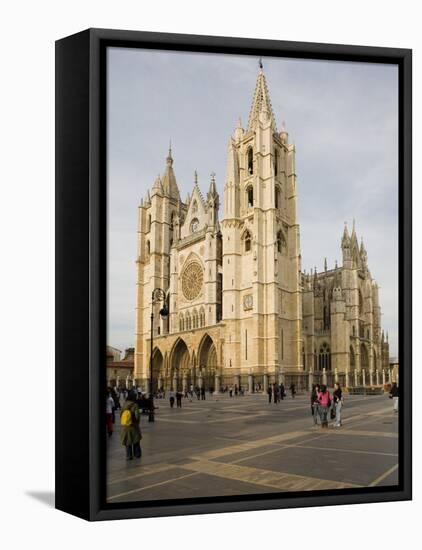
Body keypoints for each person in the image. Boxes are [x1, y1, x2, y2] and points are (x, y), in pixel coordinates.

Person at [120, 390, 142, 460]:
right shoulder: (135, 405)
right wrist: (137, 422)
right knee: (136, 440)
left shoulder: (124, 404)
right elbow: (137, 416)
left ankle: (129, 455)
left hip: (125, 426)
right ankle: (137, 454)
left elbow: (121, 414)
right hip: (133, 425)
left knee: (128, 441)